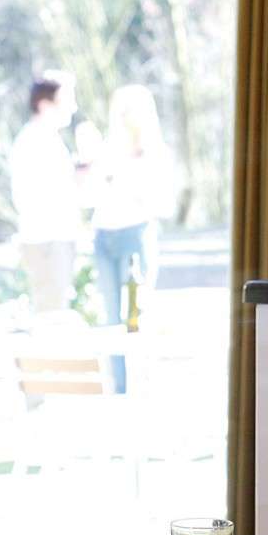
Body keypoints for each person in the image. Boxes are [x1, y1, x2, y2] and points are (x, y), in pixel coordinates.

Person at [89, 85, 174, 392]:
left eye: (131, 110)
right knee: (110, 316)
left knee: (137, 314)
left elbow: (163, 204)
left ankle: (140, 383)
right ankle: (119, 386)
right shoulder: (106, 150)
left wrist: (133, 187)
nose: (125, 117)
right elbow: (91, 195)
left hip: (136, 234)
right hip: (104, 236)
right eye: (121, 110)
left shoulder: (156, 153)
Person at [9, 72, 81, 313]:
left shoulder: (49, 139)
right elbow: (33, 195)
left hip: (56, 238)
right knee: (51, 313)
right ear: (44, 104)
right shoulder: (32, 141)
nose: (72, 108)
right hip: (46, 240)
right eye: (66, 100)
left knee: (55, 309)